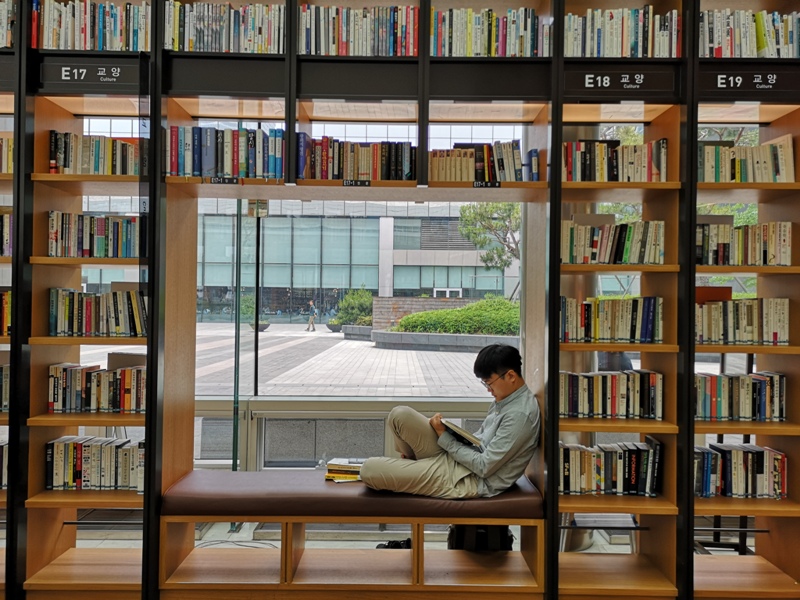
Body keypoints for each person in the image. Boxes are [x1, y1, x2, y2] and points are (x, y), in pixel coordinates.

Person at [360, 344, 540, 499]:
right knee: (399, 415)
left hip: (466, 479)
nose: (488, 390)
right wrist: (450, 433)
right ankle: (414, 466)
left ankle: (414, 470)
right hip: (459, 459)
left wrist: (444, 437)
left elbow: (484, 466)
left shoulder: (520, 415)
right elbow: (481, 441)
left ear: (510, 376)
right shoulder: (506, 399)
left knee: (368, 470)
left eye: (489, 383)